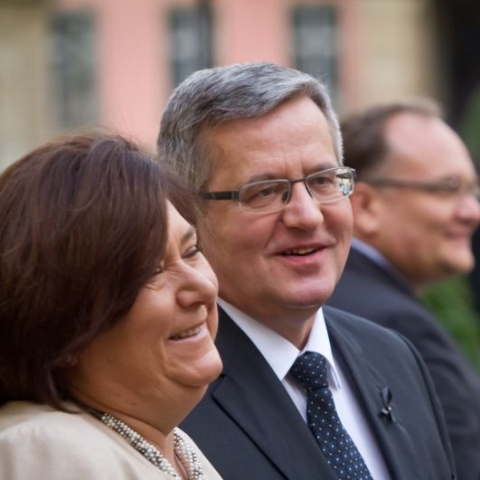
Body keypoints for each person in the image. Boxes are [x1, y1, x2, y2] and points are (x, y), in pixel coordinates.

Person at [157, 62, 456, 480]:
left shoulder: (394, 357)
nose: (306, 215)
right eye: (263, 191)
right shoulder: (167, 398)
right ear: (189, 211)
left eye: (322, 181)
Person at [0, 131, 223, 480]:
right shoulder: (50, 452)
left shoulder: (166, 442)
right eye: (151, 270)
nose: (201, 287)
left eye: (191, 251)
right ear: (61, 322)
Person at [327, 100, 480, 480]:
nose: (472, 211)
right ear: (364, 205)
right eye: (448, 188)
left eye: (473, 190)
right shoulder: (396, 325)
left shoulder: (333, 299)